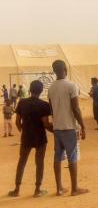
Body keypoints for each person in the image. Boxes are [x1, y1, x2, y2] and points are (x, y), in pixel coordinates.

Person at [48, 60, 88, 196]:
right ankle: (74, 189)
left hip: (57, 127)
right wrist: (83, 125)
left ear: (54, 71)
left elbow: (52, 109)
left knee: (57, 157)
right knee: (72, 157)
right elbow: (76, 109)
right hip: (70, 127)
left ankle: (59, 188)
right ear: (65, 69)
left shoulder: (51, 88)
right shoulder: (71, 85)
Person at [8, 81, 53, 197]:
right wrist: (55, 131)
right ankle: (37, 190)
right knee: (39, 163)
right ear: (41, 91)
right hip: (40, 138)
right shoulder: (44, 105)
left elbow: (17, 122)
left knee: (21, 162)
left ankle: (17, 189)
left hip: (26, 138)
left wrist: (23, 130)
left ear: (30, 90)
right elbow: (46, 124)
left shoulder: (22, 103)